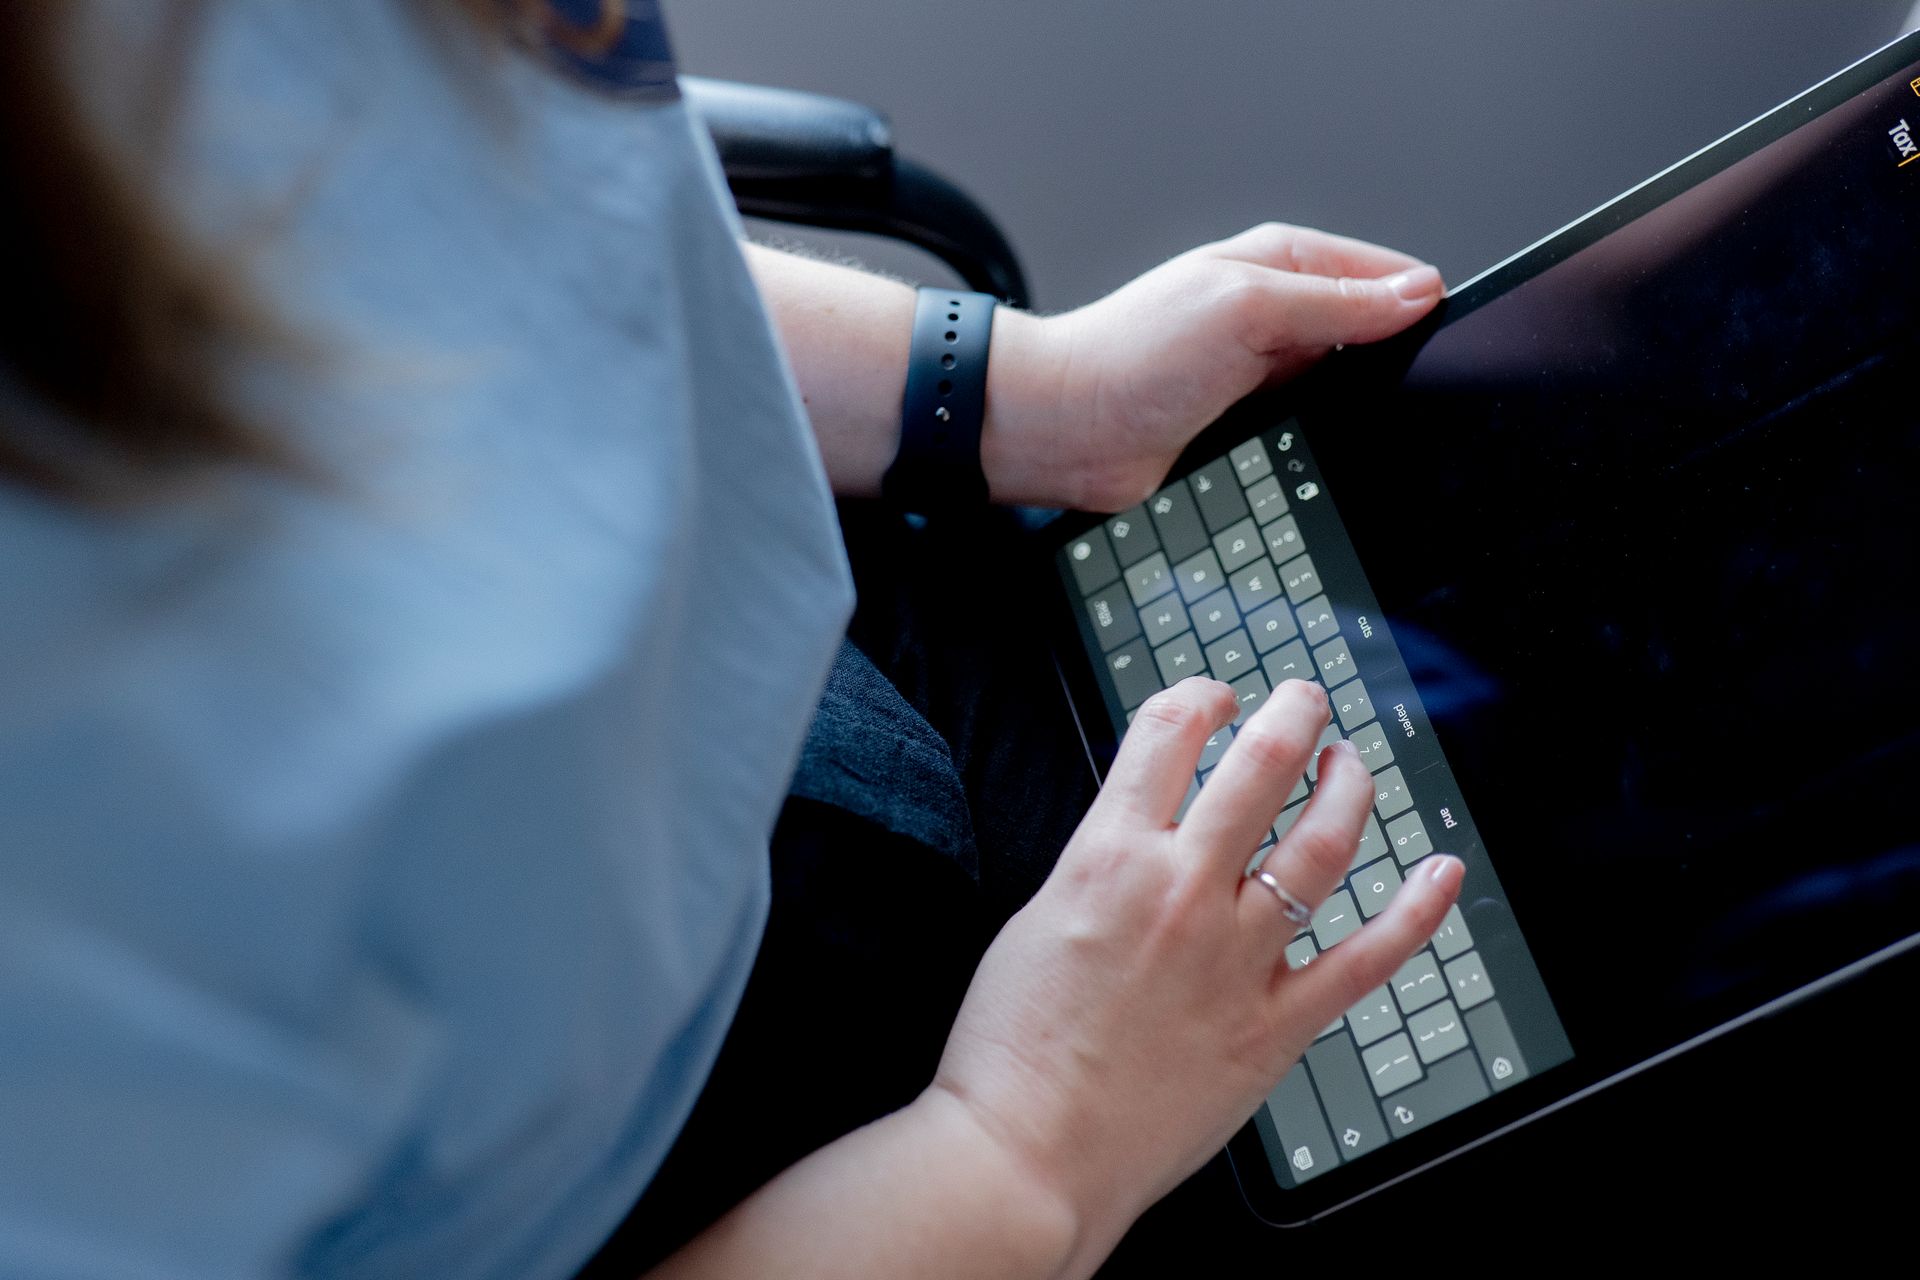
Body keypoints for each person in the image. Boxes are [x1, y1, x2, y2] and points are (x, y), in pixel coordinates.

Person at [0, 3, 1463, 1277]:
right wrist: (1030, 1145)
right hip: (823, 1175)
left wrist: (1022, 395)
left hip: (853, 632)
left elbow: (515, 234)